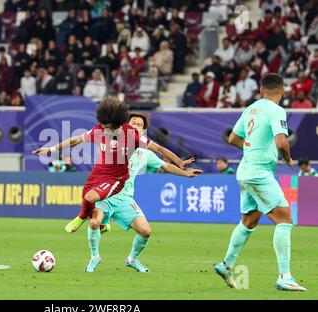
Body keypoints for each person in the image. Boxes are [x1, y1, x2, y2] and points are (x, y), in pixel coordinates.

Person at [33, 97, 195, 234]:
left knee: (92, 199)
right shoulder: (99, 129)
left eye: (106, 124)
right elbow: (75, 140)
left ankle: (83, 218)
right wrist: (51, 148)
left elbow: (160, 151)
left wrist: (180, 163)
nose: (102, 127)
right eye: (102, 123)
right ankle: (100, 225)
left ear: (117, 123)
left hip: (117, 180)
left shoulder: (133, 137)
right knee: (86, 197)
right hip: (100, 173)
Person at [214, 73, 307, 291]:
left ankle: (227, 264)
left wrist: (250, 148)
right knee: (285, 219)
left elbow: (232, 138)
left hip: (244, 171)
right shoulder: (277, 111)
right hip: (259, 173)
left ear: (261, 91)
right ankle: (285, 276)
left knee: (249, 220)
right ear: (283, 91)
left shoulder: (250, 109)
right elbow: (282, 142)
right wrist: (287, 159)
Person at [85, 113, 202, 272]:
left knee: (146, 231)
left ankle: (132, 259)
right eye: (132, 122)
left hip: (125, 199)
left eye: (139, 125)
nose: (135, 126)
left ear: (143, 130)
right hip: (105, 194)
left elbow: (166, 166)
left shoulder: (145, 154)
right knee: (94, 222)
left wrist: (186, 173)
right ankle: (94, 257)